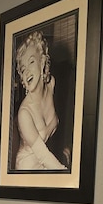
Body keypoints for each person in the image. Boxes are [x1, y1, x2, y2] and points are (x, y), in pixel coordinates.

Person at [13, 30, 70, 171]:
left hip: (48, 162)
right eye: (22, 68)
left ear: (42, 62)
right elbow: (43, 155)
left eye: (31, 62)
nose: (27, 72)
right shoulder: (24, 113)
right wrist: (67, 174)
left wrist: (65, 149)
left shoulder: (52, 84)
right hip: (28, 169)